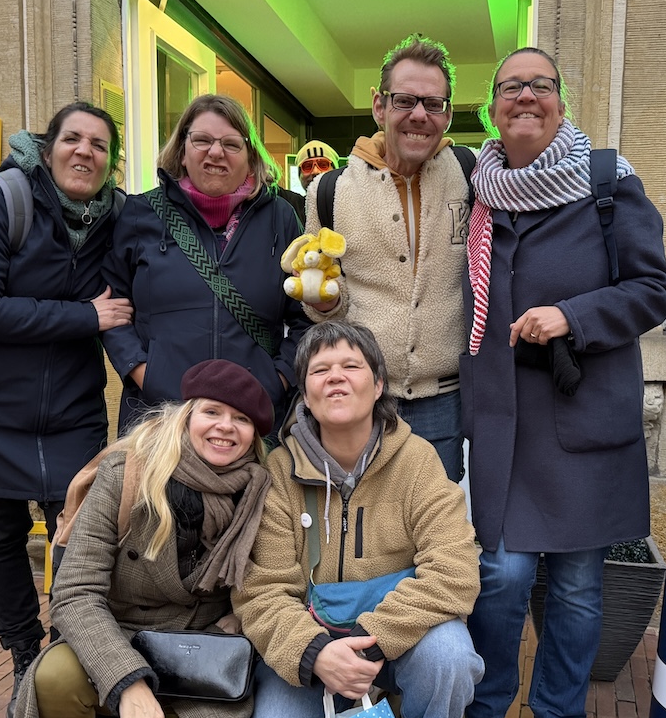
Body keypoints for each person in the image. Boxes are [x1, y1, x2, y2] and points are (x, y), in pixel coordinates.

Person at [455, 47, 666, 718]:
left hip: (582, 422)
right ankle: (484, 712)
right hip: (504, 427)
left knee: (579, 590)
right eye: (511, 86)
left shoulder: (608, 182)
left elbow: (654, 291)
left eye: (540, 86)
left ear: (560, 100)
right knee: (501, 577)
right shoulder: (476, 190)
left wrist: (572, 316)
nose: (526, 97)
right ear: (492, 105)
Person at [232, 320, 482, 718]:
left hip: (393, 640)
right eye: (320, 369)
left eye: (351, 366)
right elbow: (261, 592)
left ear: (377, 383)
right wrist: (318, 654)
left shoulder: (416, 463)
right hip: (310, 652)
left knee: (451, 659)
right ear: (304, 393)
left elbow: (456, 570)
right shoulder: (279, 473)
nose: (336, 379)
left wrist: (371, 638)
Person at [8, 360, 274, 718]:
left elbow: (269, 582)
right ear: (185, 415)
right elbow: (74, 592)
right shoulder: (127, 471)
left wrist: (240, 616)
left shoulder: (258, 493)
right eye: (211, 411)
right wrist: (127, 682)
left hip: (196, 651)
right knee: (53, 678)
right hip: (116, 631)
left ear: (254, 436)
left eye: (240, 420)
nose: (224, 426)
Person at [0, 102, 133, 718]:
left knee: (76, 532)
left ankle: (72, 651)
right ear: (48, 148)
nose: (84, 152)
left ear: (111, 162)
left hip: (68, 404)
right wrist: (83, 318)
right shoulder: (1, 200)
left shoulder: (116, 216)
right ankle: (22, 655)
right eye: (72, 138)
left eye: (99, 144)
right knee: (0, 536)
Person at [299, 35, 472, 482]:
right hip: (361, 399)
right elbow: (319, 295)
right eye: (405, 100)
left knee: (435, 531)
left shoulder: (472, 174)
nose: (420, 115)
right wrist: (322, 303)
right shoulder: (329, 191)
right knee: (358, 533)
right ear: (379, 106)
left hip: (444, 402)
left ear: (448, 113)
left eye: (434, 103)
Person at [102, 93, 309, 435]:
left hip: (248, 423)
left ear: (250, 156)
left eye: (231, 143)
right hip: (159, 418)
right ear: (182, 151)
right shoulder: (141, 214)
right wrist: (143, 372)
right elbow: (112, 305)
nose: (216, 152)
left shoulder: (281, 219)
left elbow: (305, 317)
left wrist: (277, 381)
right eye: (202, 140)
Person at [280, 139, 339, 224]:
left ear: (335, 172)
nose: (315, 171)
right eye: (307, 166)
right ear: (299, 176)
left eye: (323, 165)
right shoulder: (293, 206)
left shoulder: (350, 206)